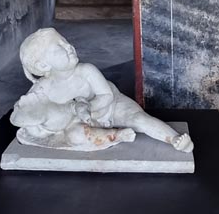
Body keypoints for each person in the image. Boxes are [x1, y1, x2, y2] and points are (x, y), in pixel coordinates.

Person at [12, 28, 194, 153]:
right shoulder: (42, 88)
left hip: (113, 106)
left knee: (139, 120)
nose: (68, 46)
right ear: (43, 65)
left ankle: (175, 139)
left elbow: (106, 96)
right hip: (88, 122)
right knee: (74, 135)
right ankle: (115, 136)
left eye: (65, 41)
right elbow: (23, 111)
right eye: (59, 47)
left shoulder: (86, 71)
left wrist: (86, 107)